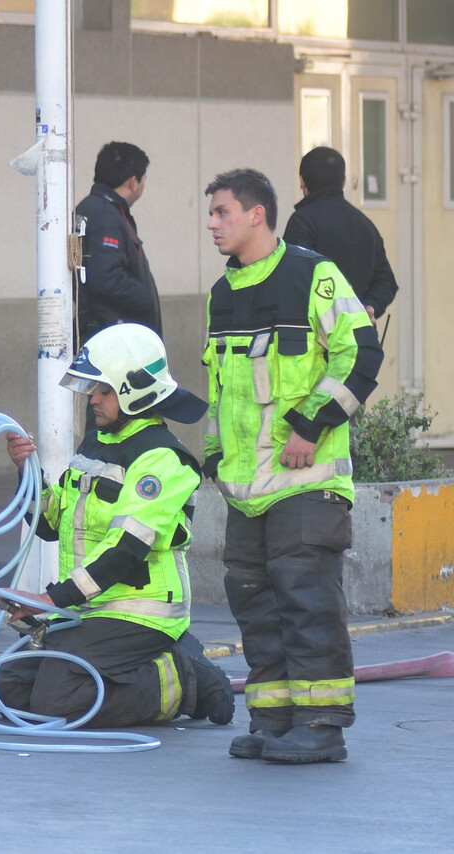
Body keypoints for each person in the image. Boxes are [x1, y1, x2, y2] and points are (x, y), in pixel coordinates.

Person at [202, 168, 383, 763]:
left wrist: (312, 424)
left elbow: (362, 352)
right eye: (212, 214)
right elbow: (221, 385)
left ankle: (323, 727)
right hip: (247, 490)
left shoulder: (313, 275)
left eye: (222, 212)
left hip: (306, 484)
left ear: (257, 215)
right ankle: (275, 720)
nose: (212, 224)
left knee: (307, 602)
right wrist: (212, 453)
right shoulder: (223, 293)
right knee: (255, 602)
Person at [0, 323, 233, 730]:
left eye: (104, 391)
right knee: (6, 688)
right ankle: (138, 674)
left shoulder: (163, 460)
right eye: (92, 390)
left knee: (55, 700)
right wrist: (26, 471)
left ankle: (184, 676)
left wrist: (47, 600)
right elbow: (49, 526)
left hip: (140, 615)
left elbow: (124, 551)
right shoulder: (97, 445)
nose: (93, 400)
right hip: (87, 609)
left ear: (134, 391)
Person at [283, 146, 398, 325]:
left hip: (316, 339)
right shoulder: (366, 225)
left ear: (302, 181)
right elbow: (387, 281)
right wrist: (370, 306)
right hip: (359, 338)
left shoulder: (302, 221)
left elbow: (293, 280)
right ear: (344, 182)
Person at [75, 141, 162, 343]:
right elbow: (107, 277)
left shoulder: (94, 208)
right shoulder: (106, 214)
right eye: (143, 180)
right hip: (113, 339)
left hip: (104, 333)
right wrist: (146, 299)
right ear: (133, 182)